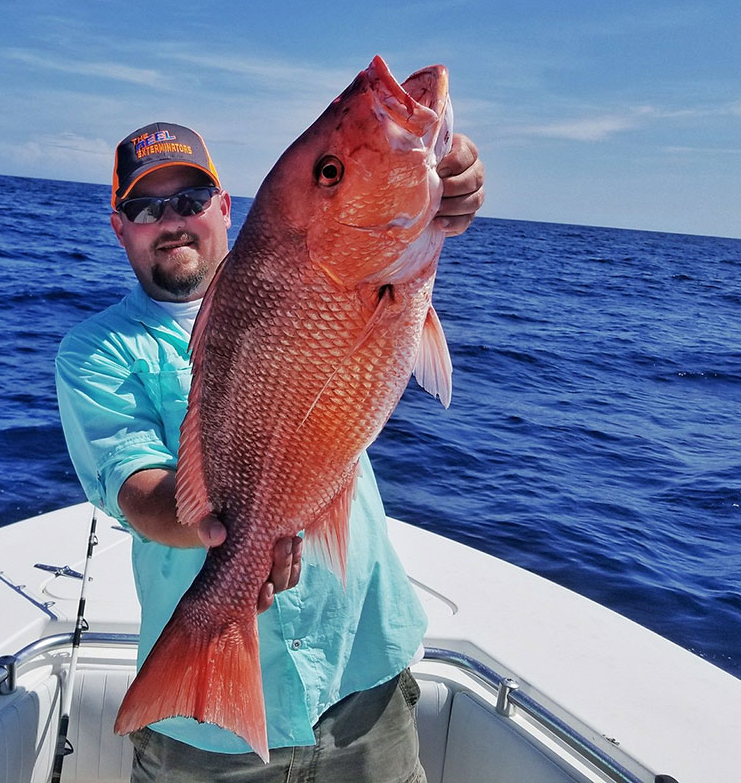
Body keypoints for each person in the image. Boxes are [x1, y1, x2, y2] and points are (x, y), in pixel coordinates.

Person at [56, 120, 485, 782]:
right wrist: (233, 536)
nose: (170, 221)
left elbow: (387, 254)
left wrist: (439, 187)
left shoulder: (320, 272)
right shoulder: (95, 352)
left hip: (359, 675)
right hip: (203, 728)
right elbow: (137, 490)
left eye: (190, 200)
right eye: (145, 208)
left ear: (225, 207)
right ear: (120, 229)